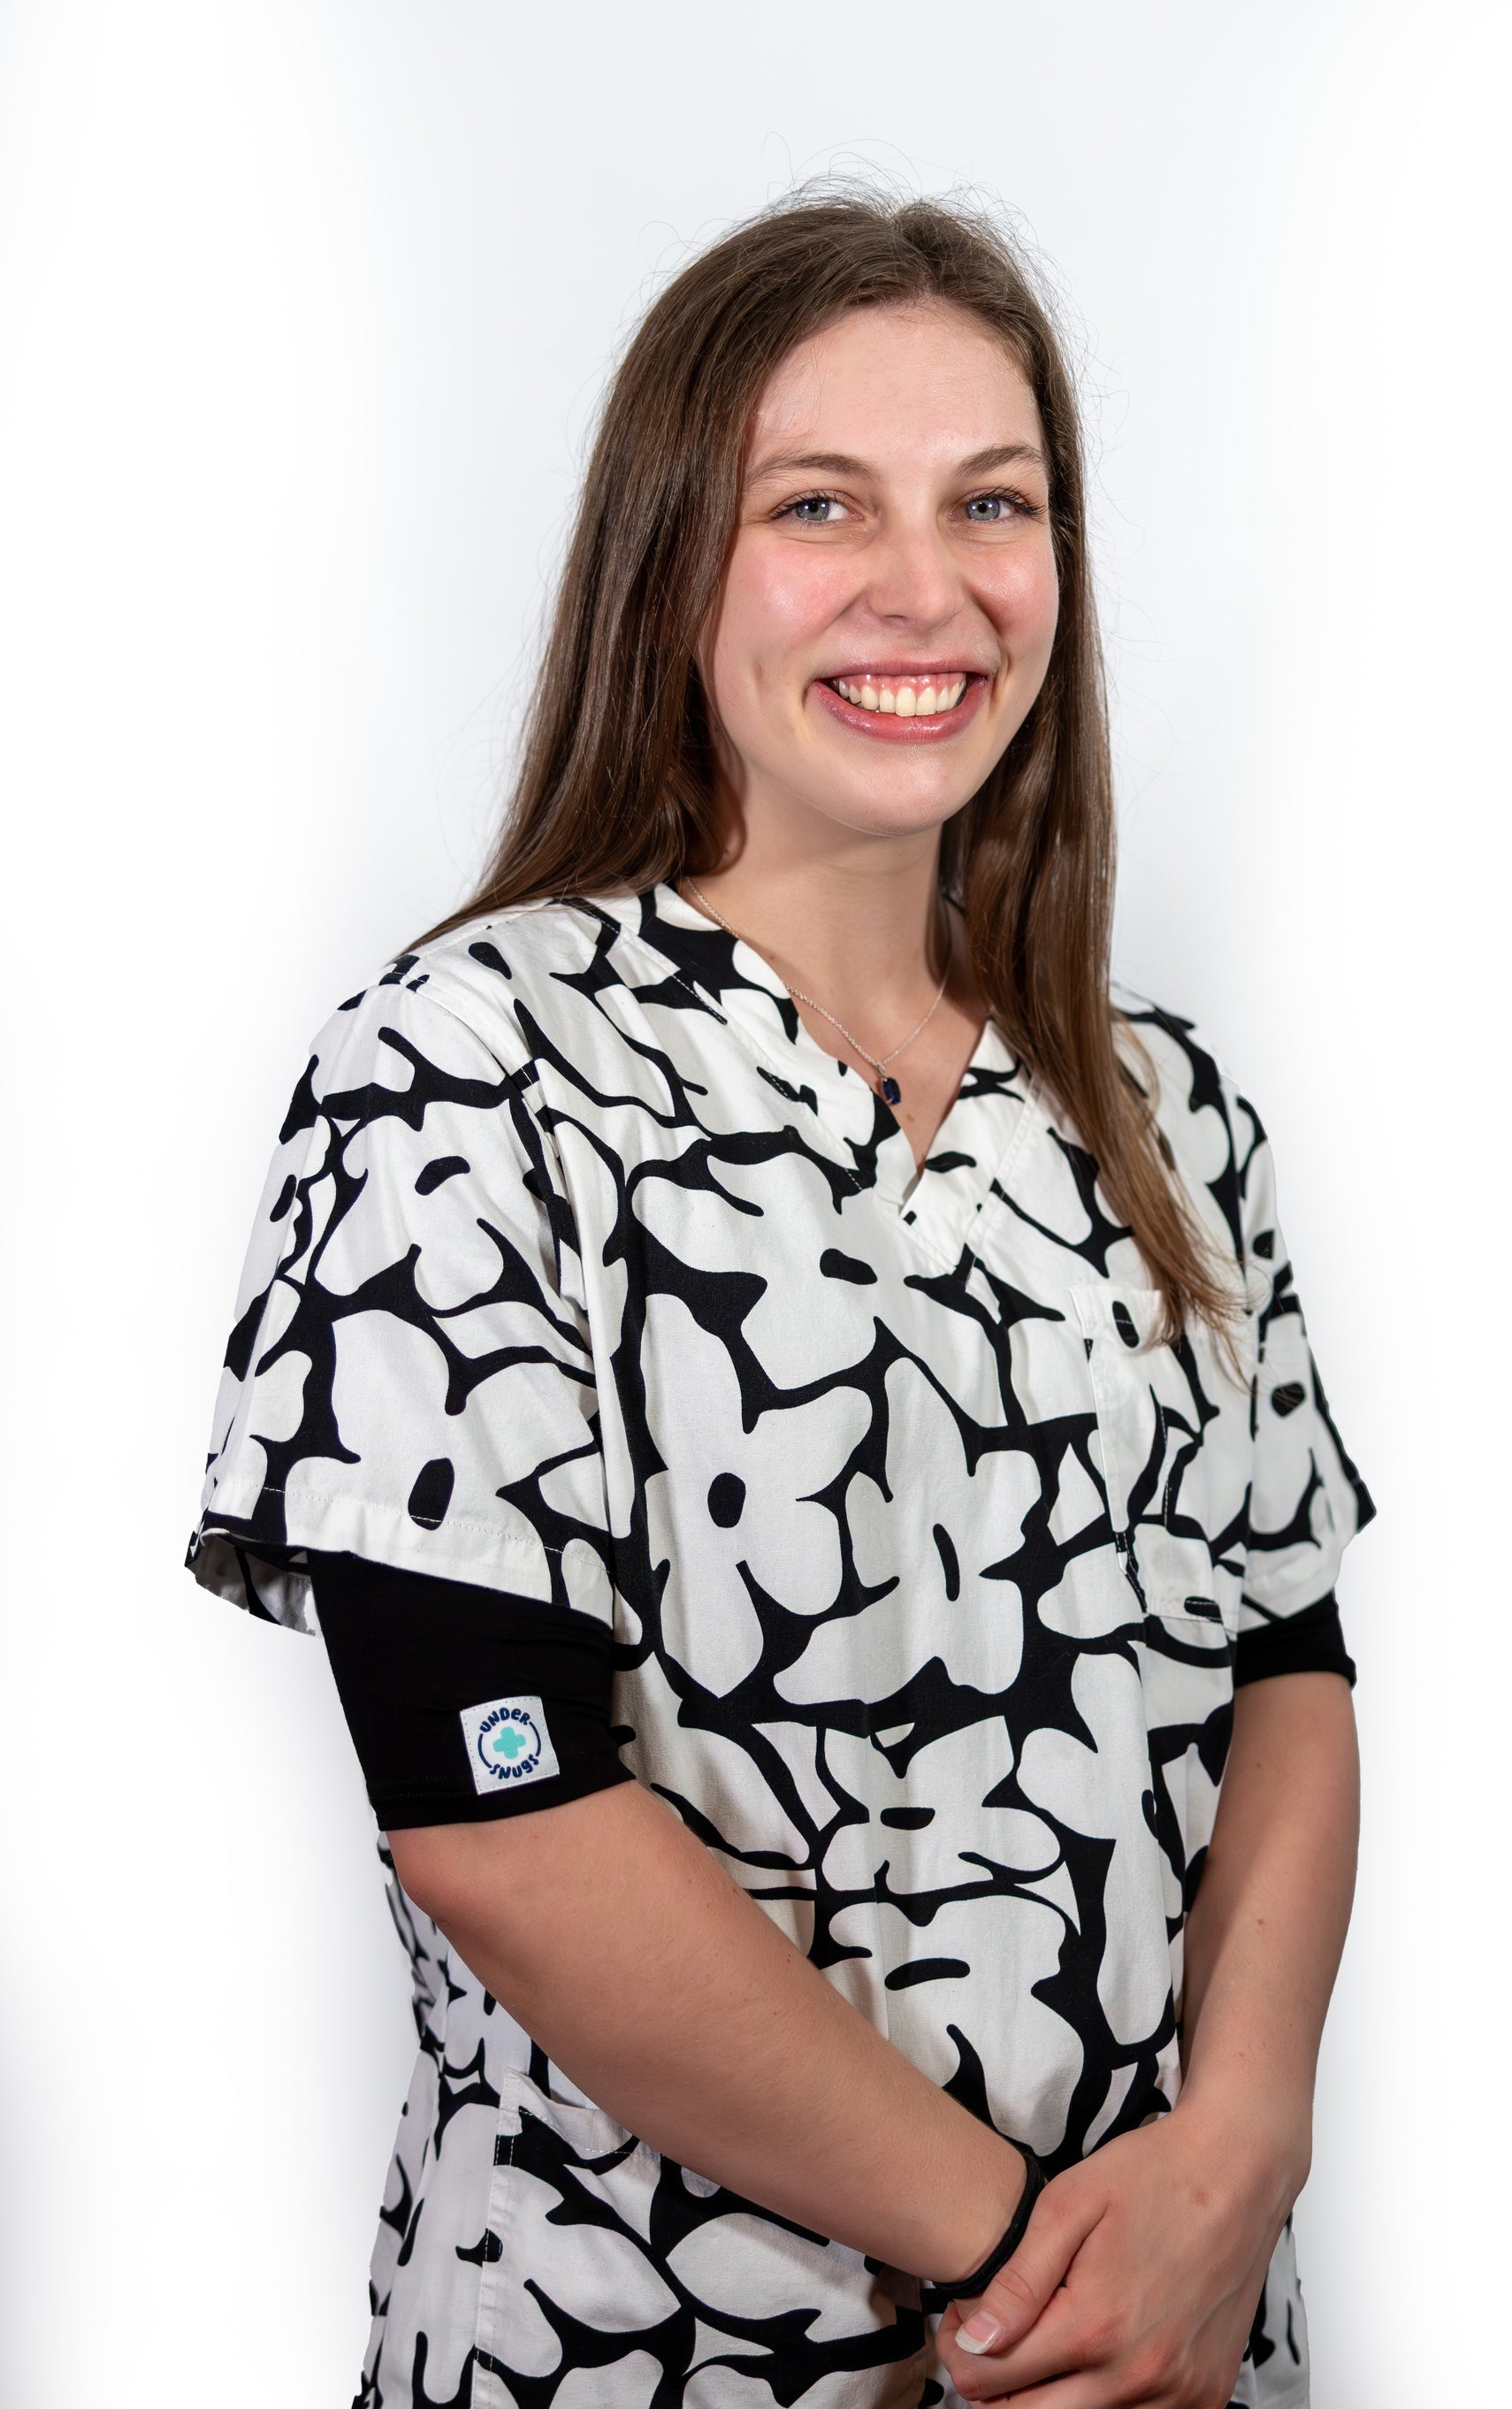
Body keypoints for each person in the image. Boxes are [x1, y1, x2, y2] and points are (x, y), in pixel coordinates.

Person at [187, 189, 1372, 2409]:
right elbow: (493, 1807)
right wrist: (1034, 2268)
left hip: (1170, 2354)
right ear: (672, 568)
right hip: (647, 2346)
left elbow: (1287, 1673)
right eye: (820, 505)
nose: (924, 590)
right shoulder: (462, 1073)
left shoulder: (1159, 1105)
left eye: (990, 505)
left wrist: (1236, 2160)